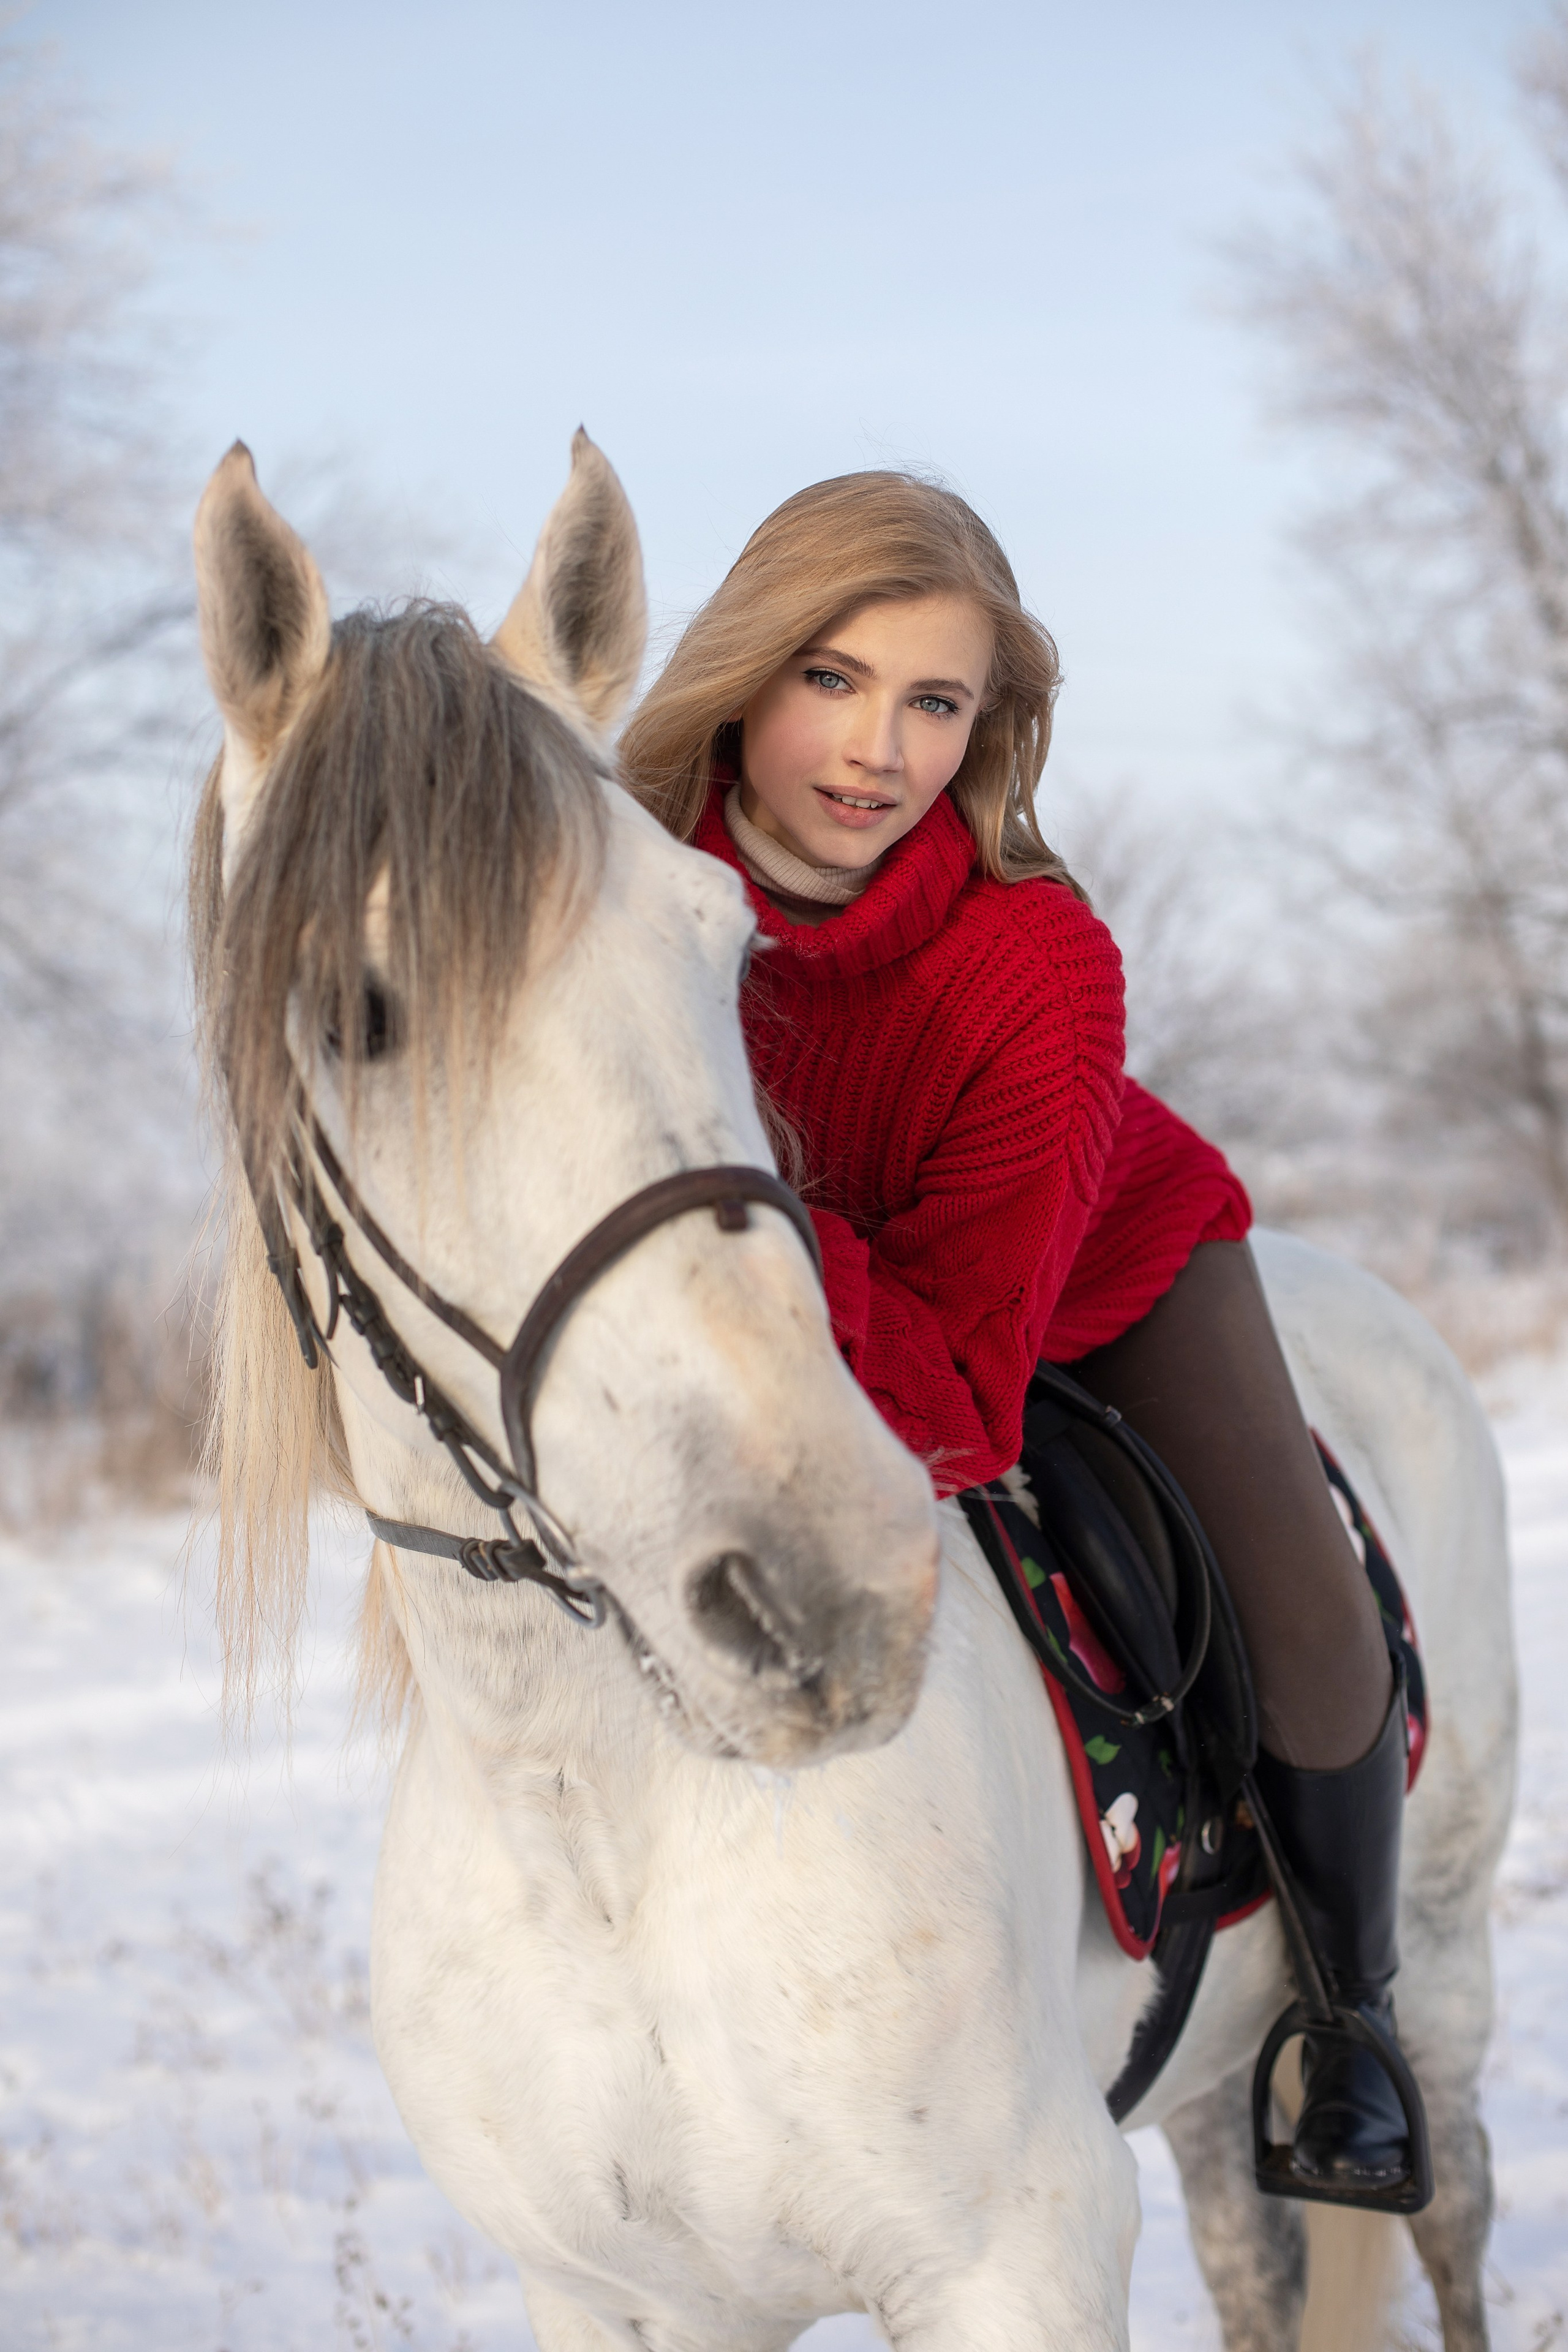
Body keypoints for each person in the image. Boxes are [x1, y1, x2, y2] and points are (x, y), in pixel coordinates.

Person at [620, 470, 1416, 2204]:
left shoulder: (1037, 964)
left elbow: (969, 1407)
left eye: (935, 703)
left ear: (989, 728)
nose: (875, 751)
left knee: (1306, 1617)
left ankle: (1354, 2026)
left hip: (1084, 1270)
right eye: (832, 679)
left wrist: (726, 1211)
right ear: (746, 676)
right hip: (784, 1278)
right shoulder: (622, 896)